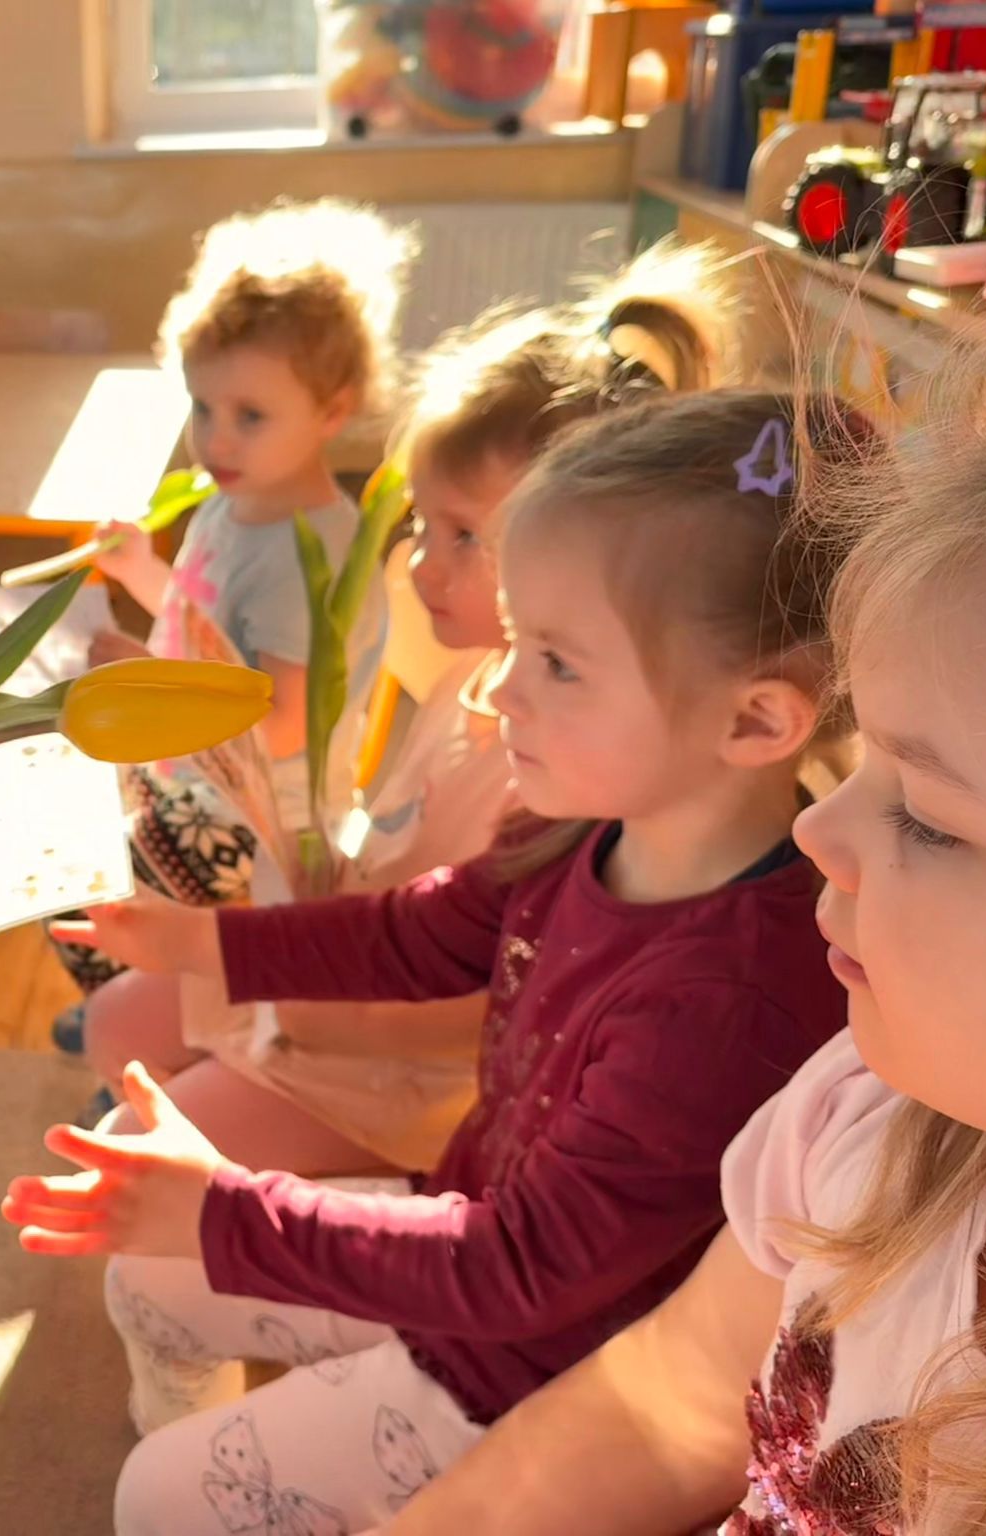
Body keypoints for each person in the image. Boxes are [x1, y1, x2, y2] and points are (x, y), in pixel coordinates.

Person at [5, 391, 856, 1532]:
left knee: (157, 1500)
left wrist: (224, 1213)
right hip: (464, 1242)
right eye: (515, 645)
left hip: (528, 1375)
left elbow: (521, 1272)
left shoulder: (728, 1000)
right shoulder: (581, 829)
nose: (500, 690)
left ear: (753, 723)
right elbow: (414, 933)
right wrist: (199, 942)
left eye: (555, 663)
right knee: (146, 1280)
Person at [384, 353, 986, 1536]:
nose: (816, 828)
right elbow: (662, 1406)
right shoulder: (858, 1115)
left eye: (923, 814)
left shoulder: (730, 994)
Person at [78, 242, 740, 1177]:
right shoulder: (475, 680)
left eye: (464, 535)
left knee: (128, 1154)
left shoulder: (559, 769)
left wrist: (290, 994)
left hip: (396, 1078)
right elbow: (399, 864)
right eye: (424, 525)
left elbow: (476, 1006)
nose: (422, 564)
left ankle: (308, 1204)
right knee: (115, 1024)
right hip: (340, 977)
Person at [49, 200, 417, 1035]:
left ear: (333, 412)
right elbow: (205, 621)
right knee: (51, 821)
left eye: (250, 415)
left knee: (79, 867)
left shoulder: (304, 559)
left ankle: (148, 1017)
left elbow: (278, 725)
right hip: (194, 777)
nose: (217, 440)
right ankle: (128, 1004)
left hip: (261, 825)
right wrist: (142, 570)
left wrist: (142, 684)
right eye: (202, 407)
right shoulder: (232, 505)